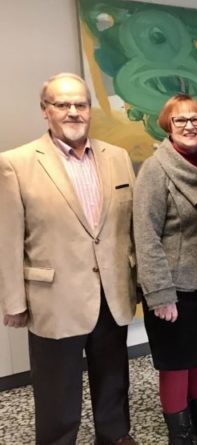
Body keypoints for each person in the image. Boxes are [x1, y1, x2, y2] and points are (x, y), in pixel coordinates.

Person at [0, 73, 138, 444]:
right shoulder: (16, 163)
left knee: (113, 379)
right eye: (63, 104)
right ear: (46, 111)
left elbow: (130, 228)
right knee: (57, 392)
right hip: (54, 298)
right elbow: (8, 238)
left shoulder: (118, 157)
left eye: (80, 104)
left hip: (112, 293)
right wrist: (13, 300)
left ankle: (114, 435)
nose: (74, 111)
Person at [133, 94, 197, 445]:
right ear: (168, 126)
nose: (190, 125)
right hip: (173, 288)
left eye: (196, 119)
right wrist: (159, 293)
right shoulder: (155, 169)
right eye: (181, 120)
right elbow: (145, 235)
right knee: (176, 364)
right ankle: (182, 434)